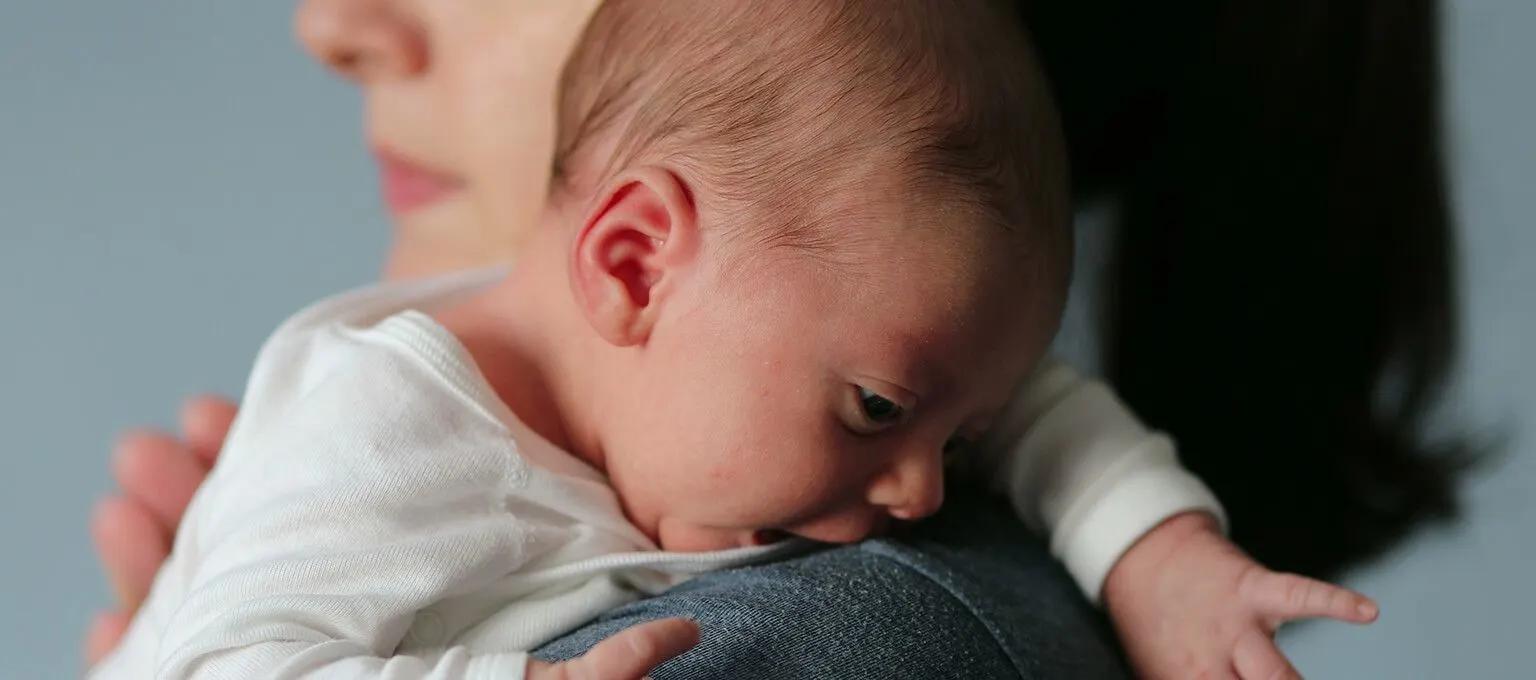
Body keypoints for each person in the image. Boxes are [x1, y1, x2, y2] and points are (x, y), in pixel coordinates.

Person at [92, 0, 1471, 678]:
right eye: (880, 409)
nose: (330, 23)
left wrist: (1161, 552)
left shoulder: (862, 612)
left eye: (949, 433)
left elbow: (1029, 407)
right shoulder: (387, 437)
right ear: (631, 260)